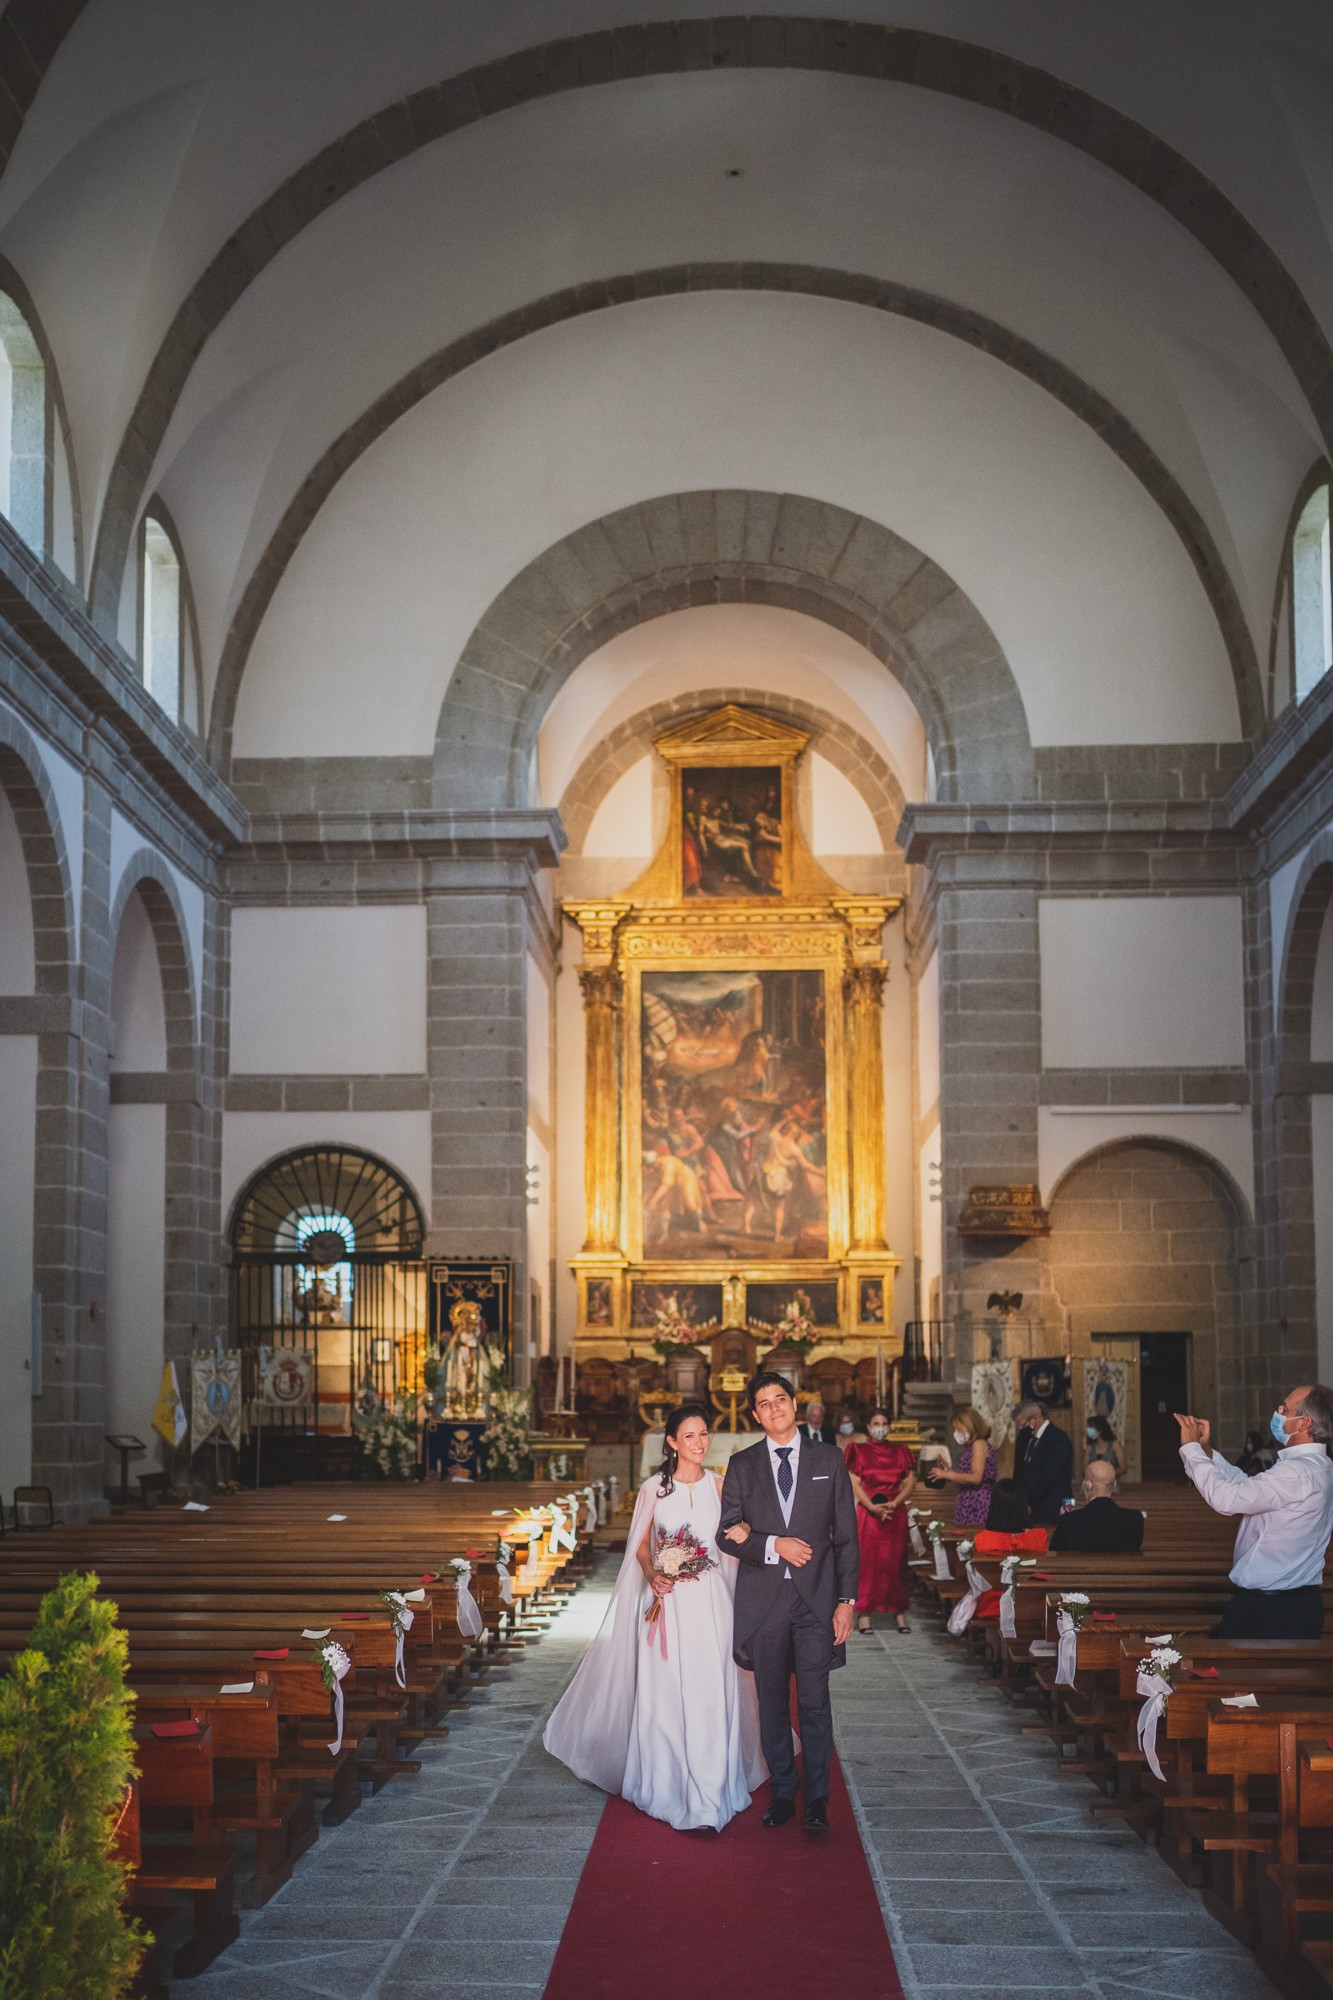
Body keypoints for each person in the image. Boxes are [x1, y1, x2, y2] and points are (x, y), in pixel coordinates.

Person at [542, 1403, 765, 1829]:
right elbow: (641, 1546)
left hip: (713, 1605)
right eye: (690, 1437)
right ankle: (666, 1785)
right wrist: (653, 1572)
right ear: (671, 1442)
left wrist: (748, 1533)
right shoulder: (653, 1490)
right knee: (666, 1692)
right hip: (669, 1603)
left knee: (710, 1689)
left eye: (704, 1435)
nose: (699, 1444)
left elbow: (737, 1537)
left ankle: (713, 1789)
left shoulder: (721, 1486)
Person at [717, 1370, 859, 1836]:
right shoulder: (742, 1465)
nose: (774, 1408)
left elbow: (846, 1537)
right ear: (755, 1414)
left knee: (816, 1704)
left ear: (794, 1404)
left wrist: (846, 1599)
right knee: (772, 1702)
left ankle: (817, 1799)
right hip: (765, 1603)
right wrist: (773, 1543)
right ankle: (783, 1791)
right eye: (764, 1403)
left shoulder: (829, 1459)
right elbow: (727, 1535)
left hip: (816, 1600)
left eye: (781, 1399)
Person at [1176, 1386, 1333, 1639]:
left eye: (1284, 1408)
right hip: (1298, 1603)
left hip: (1270, 1610)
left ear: (1304, 1422)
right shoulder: (1319, 1466)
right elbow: (1247, 1488)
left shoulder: (1297, 1473)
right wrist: (1208, 1454)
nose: (1277, 1412)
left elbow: (1227, 1499)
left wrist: (1191, 1449)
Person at [844, 1408, 916, 1636]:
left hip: (895, 1513)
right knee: (868, 1564)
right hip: (868, 1513)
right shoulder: (859, 1450)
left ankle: (899, 1611)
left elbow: (910, 1482)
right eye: (876, 1422)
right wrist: (872, 1507)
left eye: (884, 1422)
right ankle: (864, 1614)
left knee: (895, 1564)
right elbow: (854, 1482)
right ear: (868, 1426)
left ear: (890, 1427)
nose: (880, 1427)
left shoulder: (901, 1451)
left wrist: (893, 1504)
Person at [1050, 1460, 1145, 1553]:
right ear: (1114, 1484)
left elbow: (1055, 1550)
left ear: (1088, 1484)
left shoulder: (1069, 1520)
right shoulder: (1135, 1519)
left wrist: (1065, 1518)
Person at [927, 1406, 998, 1528]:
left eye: (958, 1429)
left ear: (969, 1425)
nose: (956, 1433)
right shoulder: (970, 1447)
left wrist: (946, 1474)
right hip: (968, 1500)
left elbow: (975, 1478)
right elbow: (965, 1477)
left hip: (978, 1503)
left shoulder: (978, 1444)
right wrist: (946, 1469)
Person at [1014, 1400, 1074, 1526]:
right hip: (1035, 1507)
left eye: (1022, 1426)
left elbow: (1049, 1475)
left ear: (1034, 1419)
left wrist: (1029, 1500)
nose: (1021, 1431)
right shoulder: (1029, 1439)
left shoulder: (1058, 1438)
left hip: (1055, 1506)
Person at [1084, 1414, 1126, 1482]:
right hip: (1094, 1484)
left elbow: (1123, 1469)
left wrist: (1106, 1474)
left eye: (1091, 1427)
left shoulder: (1115, 1446)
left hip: (1111, 1484)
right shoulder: (1089, 1448)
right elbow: (1085, 1469)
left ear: (1100, 1430)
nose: (1088, 1430)